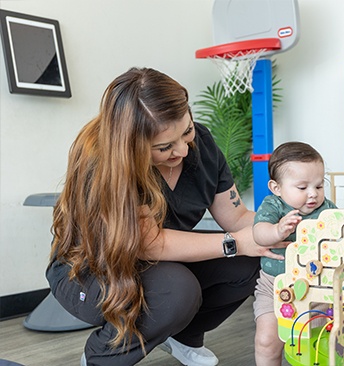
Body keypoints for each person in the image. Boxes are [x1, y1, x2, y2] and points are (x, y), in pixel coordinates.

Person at [46, 67, 286, 366]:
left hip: (159, 260)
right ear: (131, 144)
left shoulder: (201, 145)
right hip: (92, 269)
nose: (183, 150)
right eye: (164, 147)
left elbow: (236, 217)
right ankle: (101, 356)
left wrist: (285, 228)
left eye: (187, 131)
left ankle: (182, 336)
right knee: (176, 291)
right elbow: (148, 243)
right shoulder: (103, 162)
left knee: (258, 255)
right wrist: (235, 242)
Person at [252, 142, 337, 366]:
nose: (313, 194)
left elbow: (343, 233)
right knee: (266, 341)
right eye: (302, 188)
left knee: (314, 343)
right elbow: (259, 234)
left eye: (319, 186)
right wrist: (277, 230)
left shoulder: (327, 210)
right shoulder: (274, 206)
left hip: (316, 290)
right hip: (274, 286)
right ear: (276, 187)